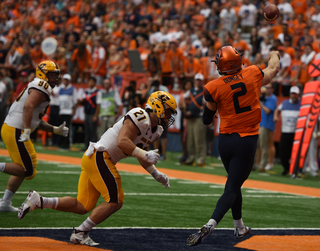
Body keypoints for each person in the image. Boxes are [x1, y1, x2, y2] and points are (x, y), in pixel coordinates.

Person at [18, 91, 177, 247]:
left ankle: (38, 201)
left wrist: (156, 173)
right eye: (169, 112)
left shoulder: (156, 130)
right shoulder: (140, 115)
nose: (170, 117)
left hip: (95, 159)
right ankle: (80, 233)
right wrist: (144, 154)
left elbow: (143, 154)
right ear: (157, 106)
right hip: (100, 155)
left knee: (83, 206)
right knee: (115, 200)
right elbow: (123, 141)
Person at [187, 46, 280, 246]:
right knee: (232, 187)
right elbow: (273, 69)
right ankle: (211, 224)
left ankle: (239, 227)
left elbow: (206, 119)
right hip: (246, 141)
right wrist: (274, 54)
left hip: (226, 141)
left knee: (234, 184)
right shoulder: (253, 73)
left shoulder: (213, 86)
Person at [0, 61, 69, 212]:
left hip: (14, 128)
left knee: (28, 167)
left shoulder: (38, 85)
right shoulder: (41, 85)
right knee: (27, 170)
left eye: (55, 75)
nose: (54, 78)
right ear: (42, 73)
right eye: (51, 75)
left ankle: (5, 202)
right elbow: (28, 107)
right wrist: (25, 130)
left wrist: (54, 129)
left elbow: (34, 118)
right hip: (16, 129)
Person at [274, 86, 301, 176]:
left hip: (296, 133)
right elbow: (277, 110)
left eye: (296, 94)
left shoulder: (301, 104)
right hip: (285, 131)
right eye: (293, 94)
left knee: (295, 152)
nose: (294, 96)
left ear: (298, 95)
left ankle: (294, 169)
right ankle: (286, 168)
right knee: (283, 152)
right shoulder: (285, 103)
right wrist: (276, 116)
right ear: (290, 94)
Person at [182, 73, 207, 167]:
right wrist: (185, 109)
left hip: (199, 117)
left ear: (202, 81)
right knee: (190, 139)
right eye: (197, 80)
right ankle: (191, 158)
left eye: (200, 80)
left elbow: (206, 104)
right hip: (190, 117)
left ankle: (201, 160)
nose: (198, 81)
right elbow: (183, 98)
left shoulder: (204, 91)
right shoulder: (191, 91)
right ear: (194, 80)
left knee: (199, 139)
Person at [257, 83, 278, 172]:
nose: (266, 89)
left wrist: (260, 103)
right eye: (266, 87)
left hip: (266, 125)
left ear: (272, 89)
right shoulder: (265, 97)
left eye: (268, 88)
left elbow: (268, 111)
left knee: (263, 145)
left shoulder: (273, 98)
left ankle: (263, 165)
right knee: (257, 145)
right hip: (260, 123)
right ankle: (254, 164)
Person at [78, 77, 101, 151]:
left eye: (92, 82)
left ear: (94, 83)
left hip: (92, 113)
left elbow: (98, 105)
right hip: (87, 113)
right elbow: (84, 102)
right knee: (87, 131)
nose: (90, 83)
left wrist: (95, 115)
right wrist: (80, 101)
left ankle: (93, 147)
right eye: (89, 82)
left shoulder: (97, 92)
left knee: (92, 131)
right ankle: (86, 146)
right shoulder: (86, 92)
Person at [58, 73, 78, 150]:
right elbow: (60, 101)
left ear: (69, 81)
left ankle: (67, 144)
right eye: (64, 80)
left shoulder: (73, 89)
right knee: (61, 128)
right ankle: (62, 143)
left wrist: (74, 111)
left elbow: (75, 101)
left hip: (69, 111)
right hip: (62, 111)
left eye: (67, 80)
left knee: (67, 129)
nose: (65, 81)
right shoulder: (61, 89)